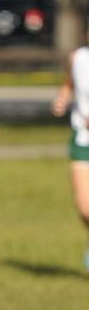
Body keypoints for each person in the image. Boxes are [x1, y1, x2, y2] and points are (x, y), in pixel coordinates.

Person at [52, 36, 89, 271]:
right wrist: (62, 98)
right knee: (85, 208)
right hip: (82, 140)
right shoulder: (78, 58)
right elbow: (71, 83)